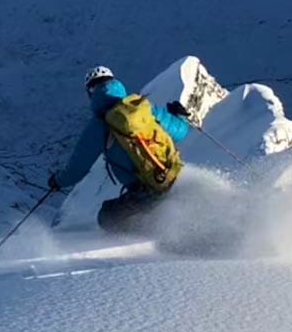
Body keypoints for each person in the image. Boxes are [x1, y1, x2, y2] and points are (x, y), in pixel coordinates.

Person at [49, 66, 193, 232]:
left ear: (91, 92)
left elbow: (77, 169)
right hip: (172, 176)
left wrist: (57, 181)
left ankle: (143, 240)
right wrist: (179, 116)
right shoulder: (144, 108)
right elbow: (180, 132)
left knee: (106, 218)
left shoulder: (98, 126)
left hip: (144, 192)